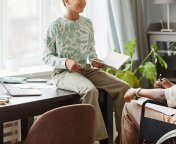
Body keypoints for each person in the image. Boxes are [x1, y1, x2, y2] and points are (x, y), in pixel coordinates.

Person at [42, 0, 130, 142]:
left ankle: (124, 138)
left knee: (124, 88)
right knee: (90, 91)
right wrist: (65, 62)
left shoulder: (87, 23)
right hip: (63, 73)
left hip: (86, 70)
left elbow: (90, 50)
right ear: (66, 1)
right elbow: (46, 56)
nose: (84, 2)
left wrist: (95, 60)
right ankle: (93, 139)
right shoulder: (56, 25)